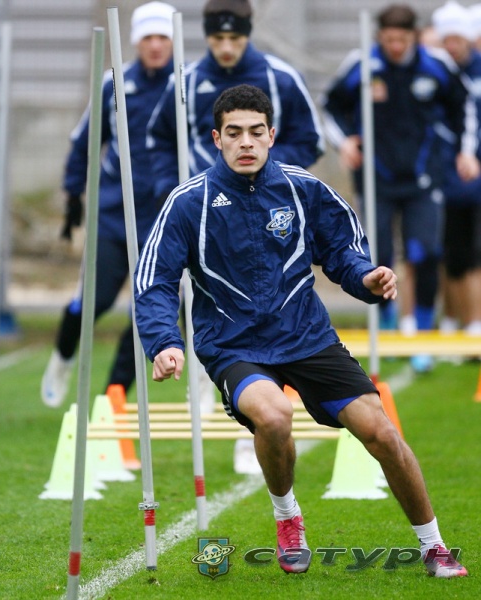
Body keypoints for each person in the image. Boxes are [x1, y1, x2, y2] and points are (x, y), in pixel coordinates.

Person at [134, 83, 468, 578]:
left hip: (307, 337)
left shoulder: (304, 188)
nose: (246, 142)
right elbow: (154, 280)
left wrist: (366, 278)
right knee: (274, 416)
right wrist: (164, 341)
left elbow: (343, 251)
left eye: (255, 132)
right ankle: (288, 517)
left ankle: (434, 546)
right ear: (216, 139)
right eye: (234, 133)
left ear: (271, 135)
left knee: (381, 432)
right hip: (233, 344)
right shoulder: (188, 202)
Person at [147, 0, 325, 472]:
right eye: (217, 38)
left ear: (248, 34)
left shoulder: (280, 77)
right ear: (206, 36)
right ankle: (207, 388)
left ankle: (254, 431)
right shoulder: (184, 81)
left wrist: (268, 178)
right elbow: (157, 138)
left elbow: (311, 139)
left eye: (235, 38)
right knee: (196, 302)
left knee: (265, 311)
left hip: (268, 216)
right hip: (202, 213)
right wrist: (169, 187)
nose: (226, 48)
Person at [320, 4, 479, 372]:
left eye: (401, 40)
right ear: (380, 36)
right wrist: (345, 142)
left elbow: (464, 106)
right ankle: (388, 323)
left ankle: (421, 334)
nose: (395, 46)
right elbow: (330, 107)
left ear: (413, 36)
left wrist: (466, 151)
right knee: (379, 257)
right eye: (388, 39)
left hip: (424, 179)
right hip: (376, 179)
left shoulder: (435, 65)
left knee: (426, 254)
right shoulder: (362, 63)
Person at [41, 2, 176, 407]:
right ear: (135, 41)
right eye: (148, 37)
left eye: (163, 37)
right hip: (113, 216)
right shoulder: (113, 83)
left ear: (172, 42)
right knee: (92, 303)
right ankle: (63, 358)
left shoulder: (186, 84)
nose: (155, 45)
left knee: (147, 311)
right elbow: (84, 141)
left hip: (164, 220)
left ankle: (112, 397)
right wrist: (73, 195)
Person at [432, 1, 481, 337]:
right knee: (450, 250)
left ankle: (471, 320)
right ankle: (454, 317)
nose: (452, 46)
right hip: (447, 173)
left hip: (469, 172)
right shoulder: (438, 72)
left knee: (468, 251)